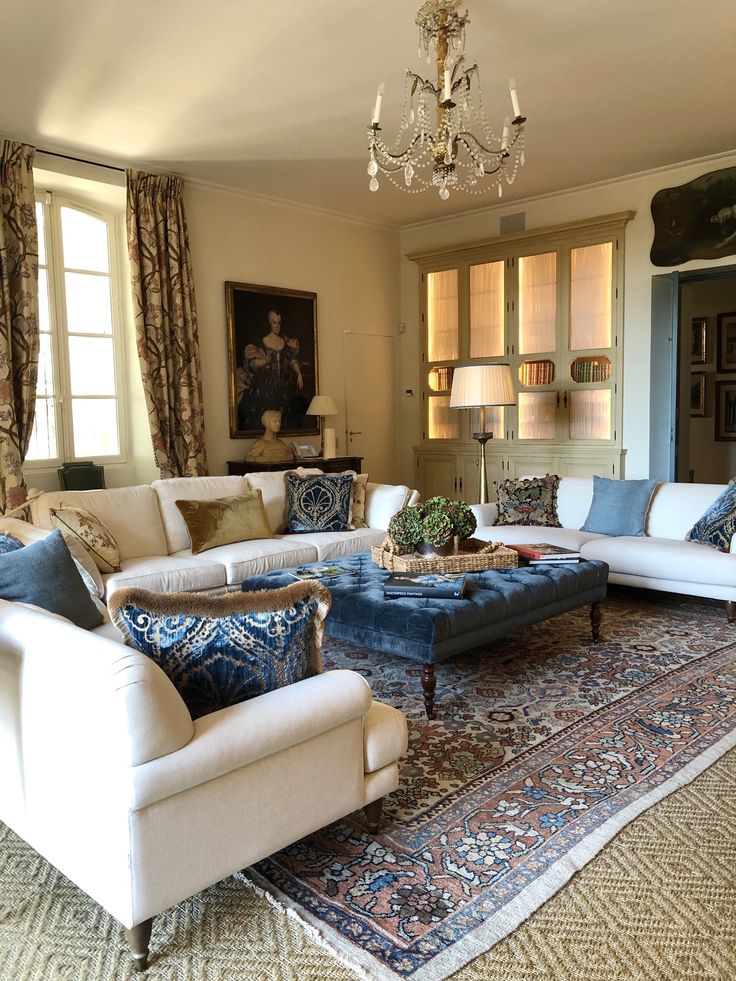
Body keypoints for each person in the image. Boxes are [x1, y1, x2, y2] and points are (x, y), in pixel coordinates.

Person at [237, 309, 307, 431]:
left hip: (284, 383)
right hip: (265, 385)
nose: (277, 326)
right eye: (275, 322)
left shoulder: (284, 342)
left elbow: (292, 360)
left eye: (279, 323)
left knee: (287, 414)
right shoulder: (262, 341)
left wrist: (299, 374)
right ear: (270, 323)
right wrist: (264, 361)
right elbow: (252, 364)